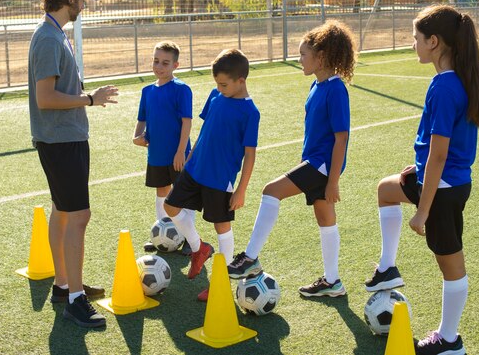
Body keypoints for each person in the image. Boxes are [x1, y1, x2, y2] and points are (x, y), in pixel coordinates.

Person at [364, 5, 479, 355]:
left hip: (444, 189)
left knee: (451, 264)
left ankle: (449, 341)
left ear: (434, 42)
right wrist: (419, 168)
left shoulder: (444, 87)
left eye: (416, 38)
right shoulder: (456, 79)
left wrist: (422, 209)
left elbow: (439, 155)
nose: (413, 44)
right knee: (386, 190)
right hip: (440, 179)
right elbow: (434, 153)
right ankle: (387, 267)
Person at [228, 20, 356, 298]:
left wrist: (333, 181)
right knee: (325, 217)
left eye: (303, 55)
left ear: (321, 58)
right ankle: (333, 281)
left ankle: (250, 257)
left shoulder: (335, 89)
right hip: (315, 162)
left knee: (271, 191)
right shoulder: (317, 86)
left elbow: (341, 138)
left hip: (322, 166)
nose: (299, 60)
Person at [28, 0, 119, 328]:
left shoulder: (54, 33)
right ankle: (76, 300)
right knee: (79, 216)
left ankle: (65, 286)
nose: (86, 3)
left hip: (63, 138)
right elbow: (46, 98)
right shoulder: (49, 38)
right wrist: (89, 100)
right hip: (61, 140)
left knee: (63, 213)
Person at [164, 49, 260, 301]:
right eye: (217, 83)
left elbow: (250, 154)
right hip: (194, 170)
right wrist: (189, 158)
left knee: (221, 226)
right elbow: (205, 129)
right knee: (170, 207)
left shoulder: (251, 112)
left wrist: (241, 189)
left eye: (224, 84)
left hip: (220, 179)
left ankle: (221, 284)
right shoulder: (215, 95)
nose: (219, 88)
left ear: (241, 80)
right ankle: (199, 248)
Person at [132, 41, 194, 255]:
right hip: (156, 153)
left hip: (177, 154)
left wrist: (180, 151)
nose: (159, 66)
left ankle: (188, 237)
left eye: (165, 63)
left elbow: (187, 121)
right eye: (156, 61)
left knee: (181, 195)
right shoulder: (147, 90)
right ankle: (162, 235)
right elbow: (142, 119)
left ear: (175, 65)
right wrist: (136, 136)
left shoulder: (182, 89)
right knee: (162, 192)